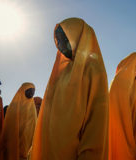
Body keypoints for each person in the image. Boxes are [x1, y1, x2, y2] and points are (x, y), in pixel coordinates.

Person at [30, 18, 109, 160]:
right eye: (58, 40)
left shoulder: (93, 71)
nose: (59, 45)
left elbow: (96, 125)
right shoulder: (60, 72)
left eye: (63, 38)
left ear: (79, 38)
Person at [0, 82, 37, 160]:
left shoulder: (32, 108)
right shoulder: (14, 106)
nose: (32, 93)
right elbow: (9, 126)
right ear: (23, 91)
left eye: (33, 91)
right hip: (14, 143)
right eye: (29, 90)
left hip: (27, 146)